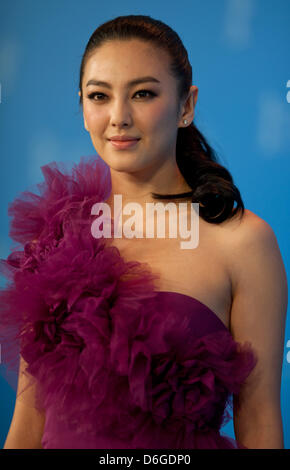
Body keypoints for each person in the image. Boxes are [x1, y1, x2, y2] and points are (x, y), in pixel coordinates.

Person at [1, 14, 287, 450]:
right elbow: (26, 425)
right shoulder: (55, 238)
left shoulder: (243, 242)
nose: (118, 117)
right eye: (100, 95)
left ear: (186, 105)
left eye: (143, 94)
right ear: (83, 107)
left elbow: (260, 424)